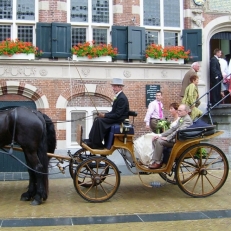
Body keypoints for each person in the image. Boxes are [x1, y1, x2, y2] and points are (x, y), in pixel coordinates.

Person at [84, 78, 129, 149]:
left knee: (99, 121)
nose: (113, 88)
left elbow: (118, 115)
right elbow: (113, 112)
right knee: (97, 119)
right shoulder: (119, 97)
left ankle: (96, 144)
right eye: (113, 86)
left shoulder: (122, 98)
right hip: (116, 118)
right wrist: (104, 115)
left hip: (119, 120)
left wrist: (105, 115)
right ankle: (91, 140)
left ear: (120, 87)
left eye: (115, 86)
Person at [149, 104, 192, 169]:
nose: (178, 112)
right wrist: (160, 135)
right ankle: (158, 160)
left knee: (160, 141)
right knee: (155, 139)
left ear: (186, 111)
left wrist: (167, 138)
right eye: (178, 110)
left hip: (180, 141)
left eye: (180, 111)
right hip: (176, 139)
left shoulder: (187, 120)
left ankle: (158, 162)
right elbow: (173, 129)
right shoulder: (182, 118)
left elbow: (178, 131)